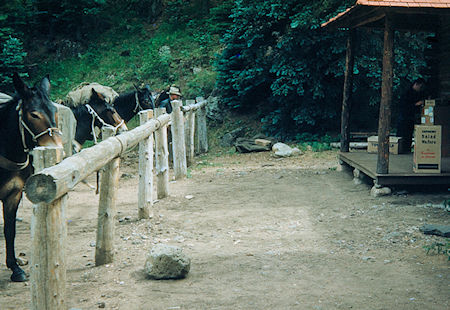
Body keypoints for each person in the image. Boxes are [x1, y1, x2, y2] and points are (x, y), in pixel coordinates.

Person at [396, 78, 426, 151]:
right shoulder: (407, 93)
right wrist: (416, 104)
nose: (420, 89)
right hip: (404, 116)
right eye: (420, 87)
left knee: (409, 134)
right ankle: (400, 148)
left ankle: (407, 148)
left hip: (411, 117)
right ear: (416, 84)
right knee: (403, 133)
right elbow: (404, 105)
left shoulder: (418, 93)